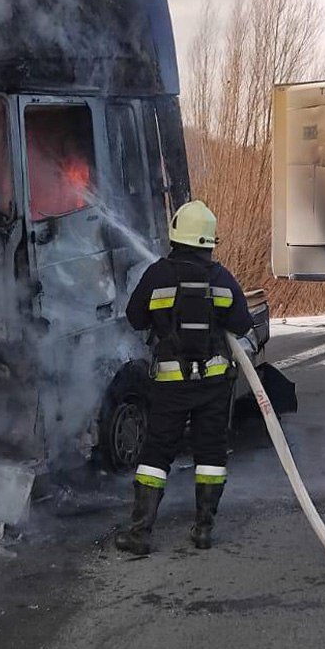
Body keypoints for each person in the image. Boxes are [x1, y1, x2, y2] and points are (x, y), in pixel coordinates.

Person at [115, 200, 258, 555]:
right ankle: (204, 530)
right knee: (210, 454)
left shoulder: (157, 274)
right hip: (214, 384)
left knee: (157, 454)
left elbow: (134, 318)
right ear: (209, 241)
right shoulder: (222, 278)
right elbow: (242, 324)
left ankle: (139, 534)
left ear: (176, 235)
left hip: (170, 386)